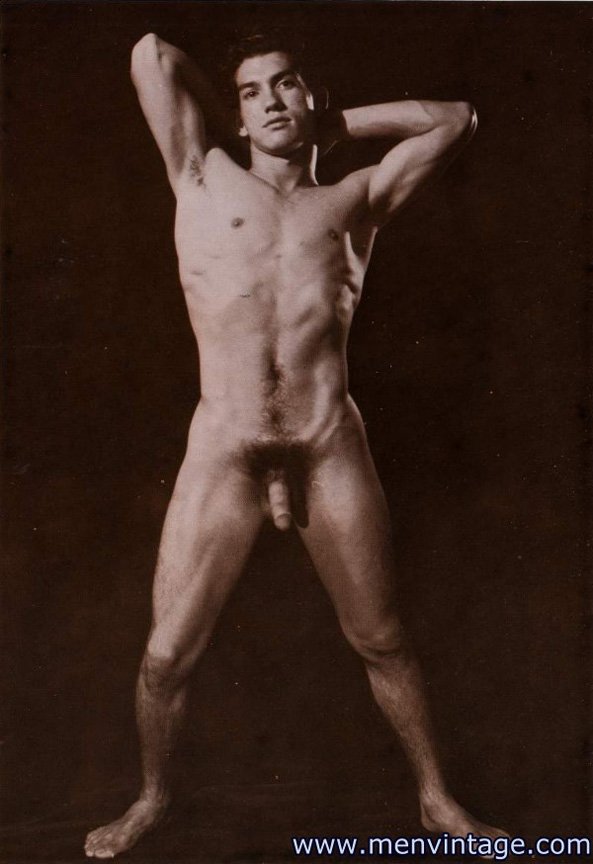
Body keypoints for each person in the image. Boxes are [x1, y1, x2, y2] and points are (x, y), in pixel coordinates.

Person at [85, 29, 506, 859]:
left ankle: (434, 799)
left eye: (284, 85)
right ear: (234, 113)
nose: (270, 101)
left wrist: (330, 125)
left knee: (380, 639)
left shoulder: (355, 199)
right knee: (165, 657)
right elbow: (150, 54)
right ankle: (150, 798)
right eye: (252, 91)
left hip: (324, 442)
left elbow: (455, 119)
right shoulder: (199, 174)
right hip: (226, 451)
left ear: (311, 95)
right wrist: (234, 120)